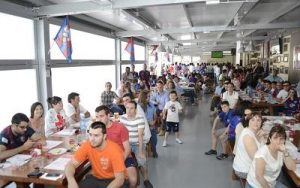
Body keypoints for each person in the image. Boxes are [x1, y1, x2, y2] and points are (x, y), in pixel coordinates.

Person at [65, 121, 125, 188]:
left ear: (104, 136)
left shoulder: (114, 150)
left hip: (114, 180)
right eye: (90, 134)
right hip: (96, 178)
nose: (92, 139)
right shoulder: (88, 145)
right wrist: (71, 181)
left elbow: (120, 180)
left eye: (96, 135)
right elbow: (71, 164)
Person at [95, 105, 137, 188]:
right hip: (106, 159)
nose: (98, 119)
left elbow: (127, 149)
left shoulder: (120, 127)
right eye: (97, 117)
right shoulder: (97, 129)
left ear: (108, 115)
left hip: (124, 157)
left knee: (133, 180)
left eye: (101, 116)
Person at [120, 100, 153, 188]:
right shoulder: (122, 118)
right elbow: (121, 134)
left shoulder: (140, 118)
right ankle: (125, 179)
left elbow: (140, 136)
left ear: (135, 109)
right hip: (126, 143)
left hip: (137, 143)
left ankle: (146, 179)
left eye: (132, 108)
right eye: (127, 108)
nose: (129, 110)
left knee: (142, 161)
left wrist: (141, 151)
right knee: (119, 158)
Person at [233, 113, 264, 179]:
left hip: (249, 167)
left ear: (261, 122)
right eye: (252, 120)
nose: (255, 122)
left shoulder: (255, 131)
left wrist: (264, 136)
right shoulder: (247, 136)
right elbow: (256, 159)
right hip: (245, 170)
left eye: (258, 120)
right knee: (276, 172)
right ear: (248, 121)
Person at [138, 90, 158, 158]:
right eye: (148, 97)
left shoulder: (151, 104)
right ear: (144, 97)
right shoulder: (139, 107)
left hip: (152, 125)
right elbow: (140, 119)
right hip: (144, 127)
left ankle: (153, 149)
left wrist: (154, 120)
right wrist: (149, 123)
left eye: (149, 96)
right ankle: (153, 151)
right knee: (151, 137)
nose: (149, 98)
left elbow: (155, 114)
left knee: (155, 140)